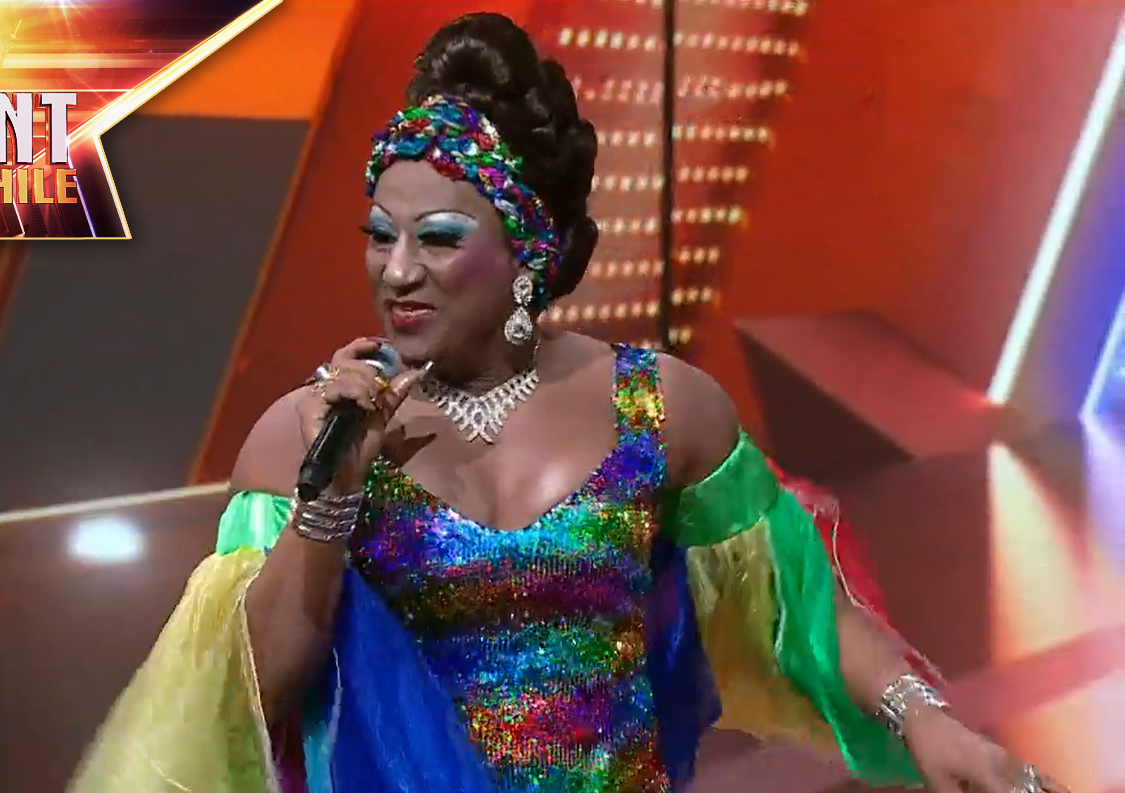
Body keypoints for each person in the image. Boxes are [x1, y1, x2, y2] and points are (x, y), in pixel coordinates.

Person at [70, 13, 1064, 793]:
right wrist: (331, 496)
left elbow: (799, 606)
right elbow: (251, 691)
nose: (397, 270)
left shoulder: (660, 410)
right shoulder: (305, 433)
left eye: (438, 238)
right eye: (380, 235)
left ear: (529, 254)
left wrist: (925, 719)